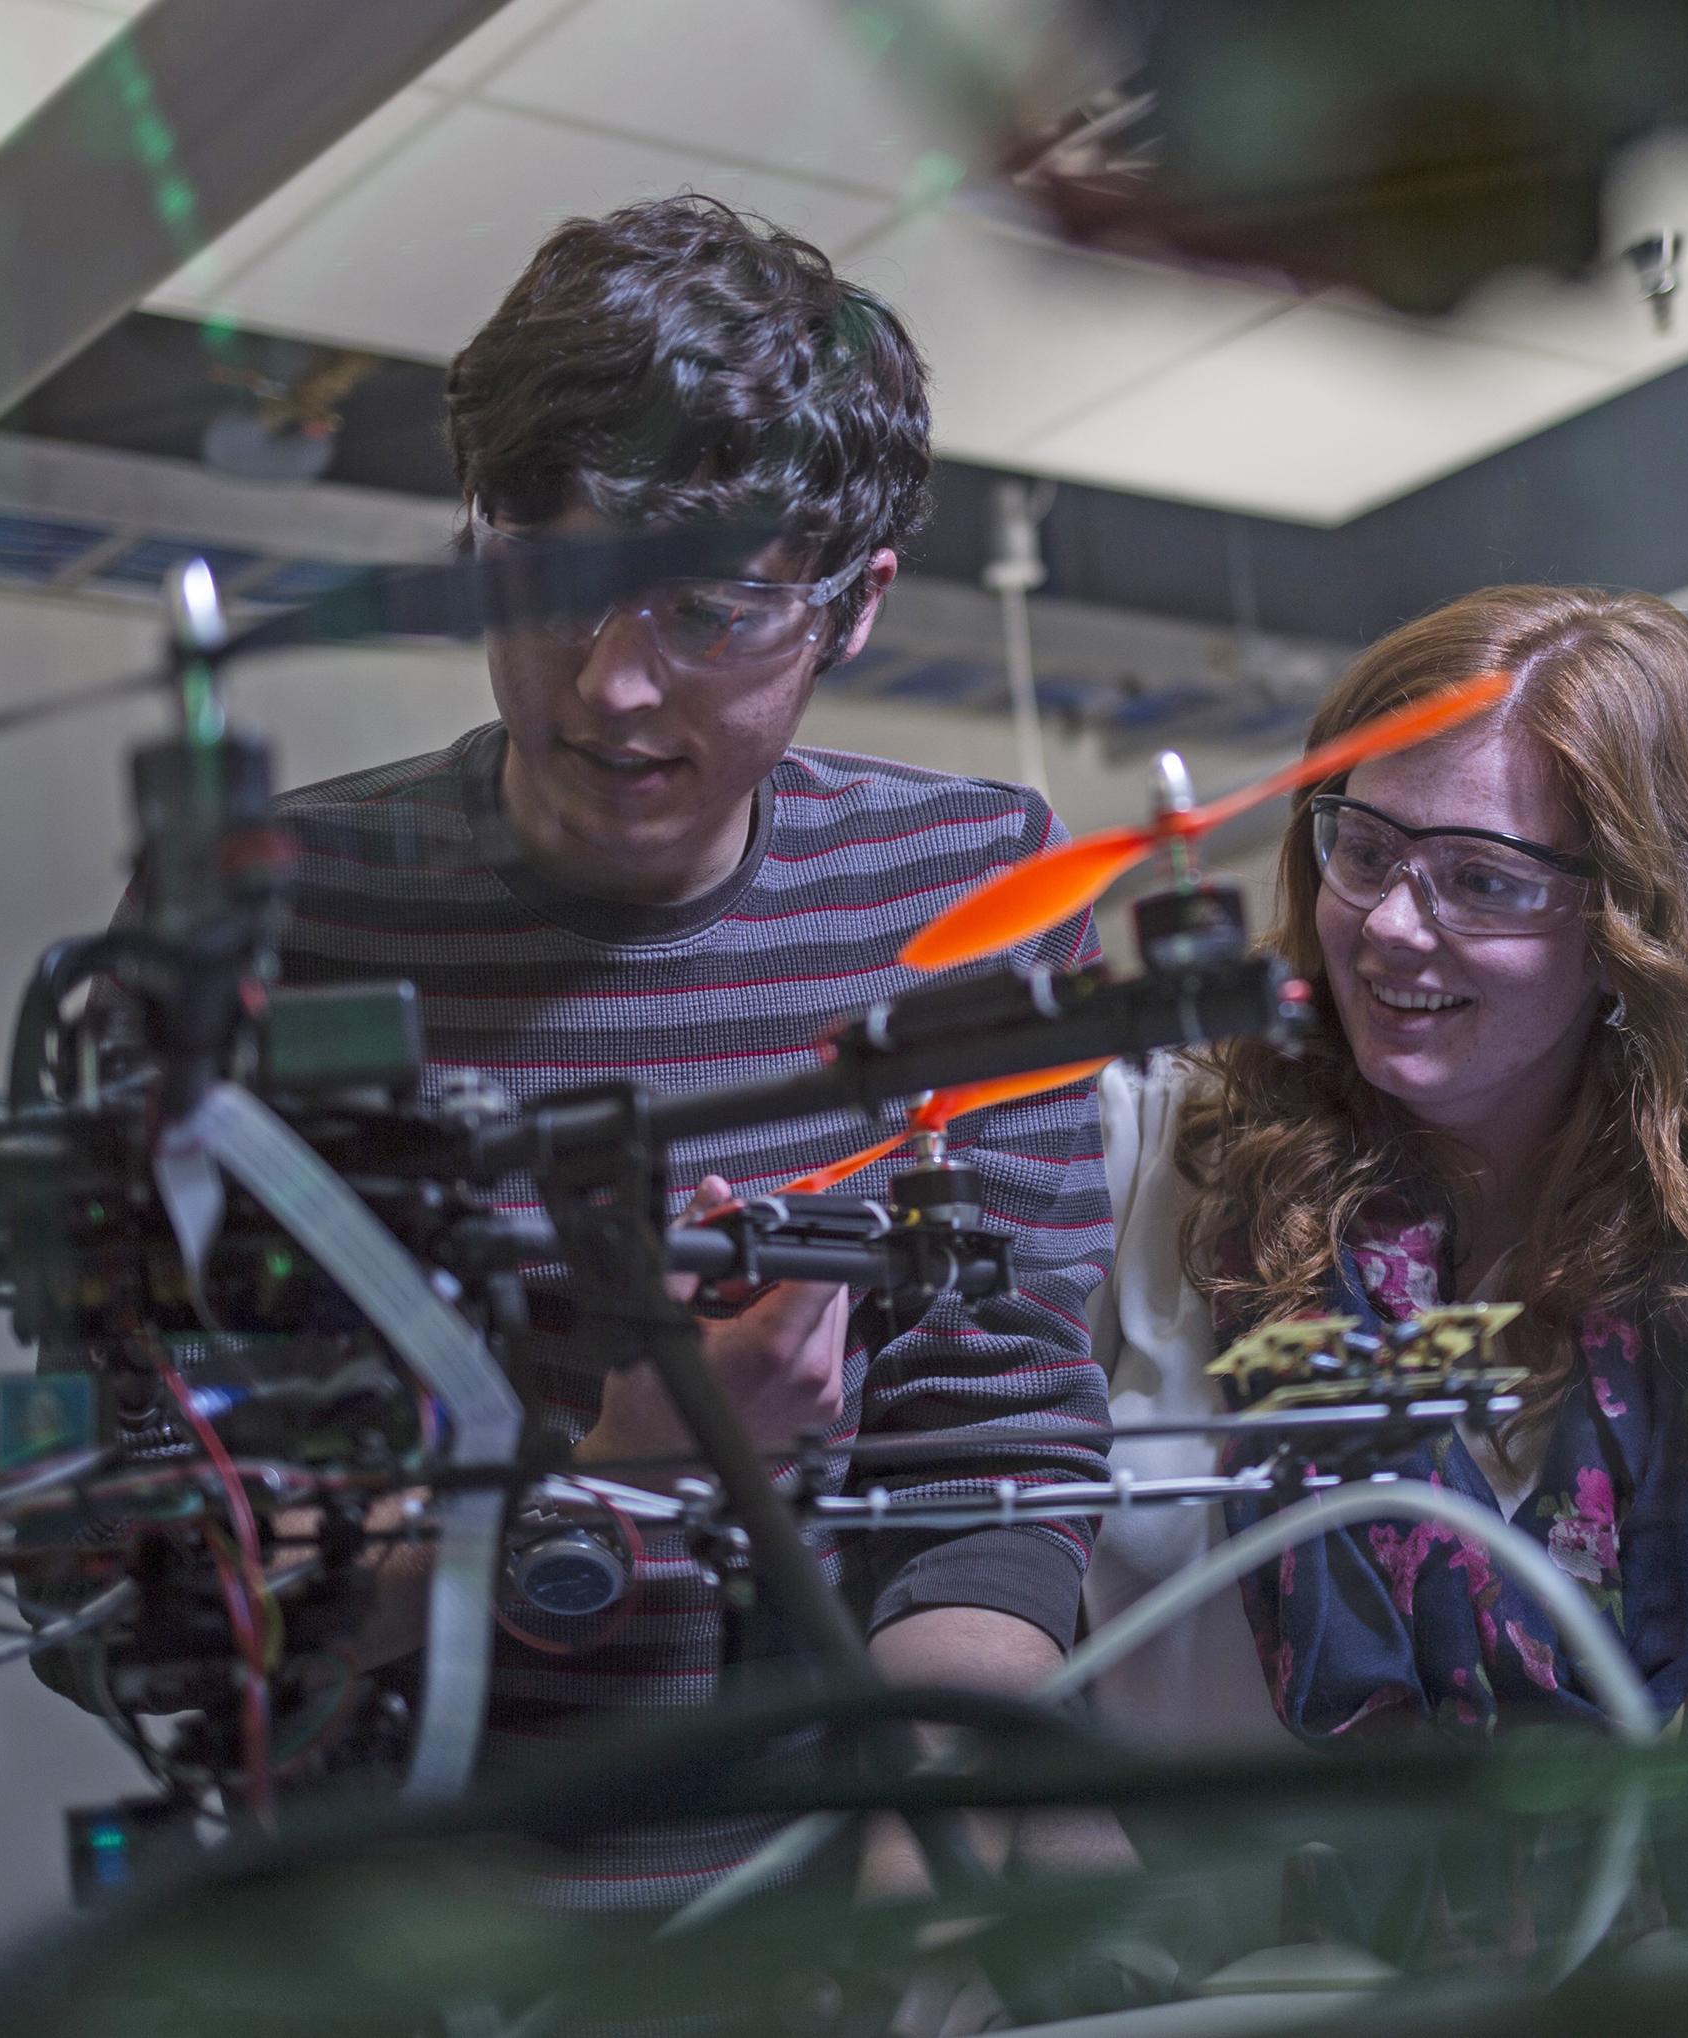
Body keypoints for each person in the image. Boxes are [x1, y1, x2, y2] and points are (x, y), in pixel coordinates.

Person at [244, 195, 1114, 1902]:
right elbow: (169, 1548)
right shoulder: (274, 921)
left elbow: (989, 1454)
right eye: (546, 587)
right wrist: (629, 1466)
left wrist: (925, 1836)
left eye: (711, 615)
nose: (610, 690)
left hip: (817, 1896)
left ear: (854, 607)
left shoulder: (971, 891)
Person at [1089, 584, 1688, 1758]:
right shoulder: (1154, 1154)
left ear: (1634, 927)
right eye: (1366, 850)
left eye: (1480, 879)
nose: (1387, 926)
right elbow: (947, 1552)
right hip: (1188, 1934)